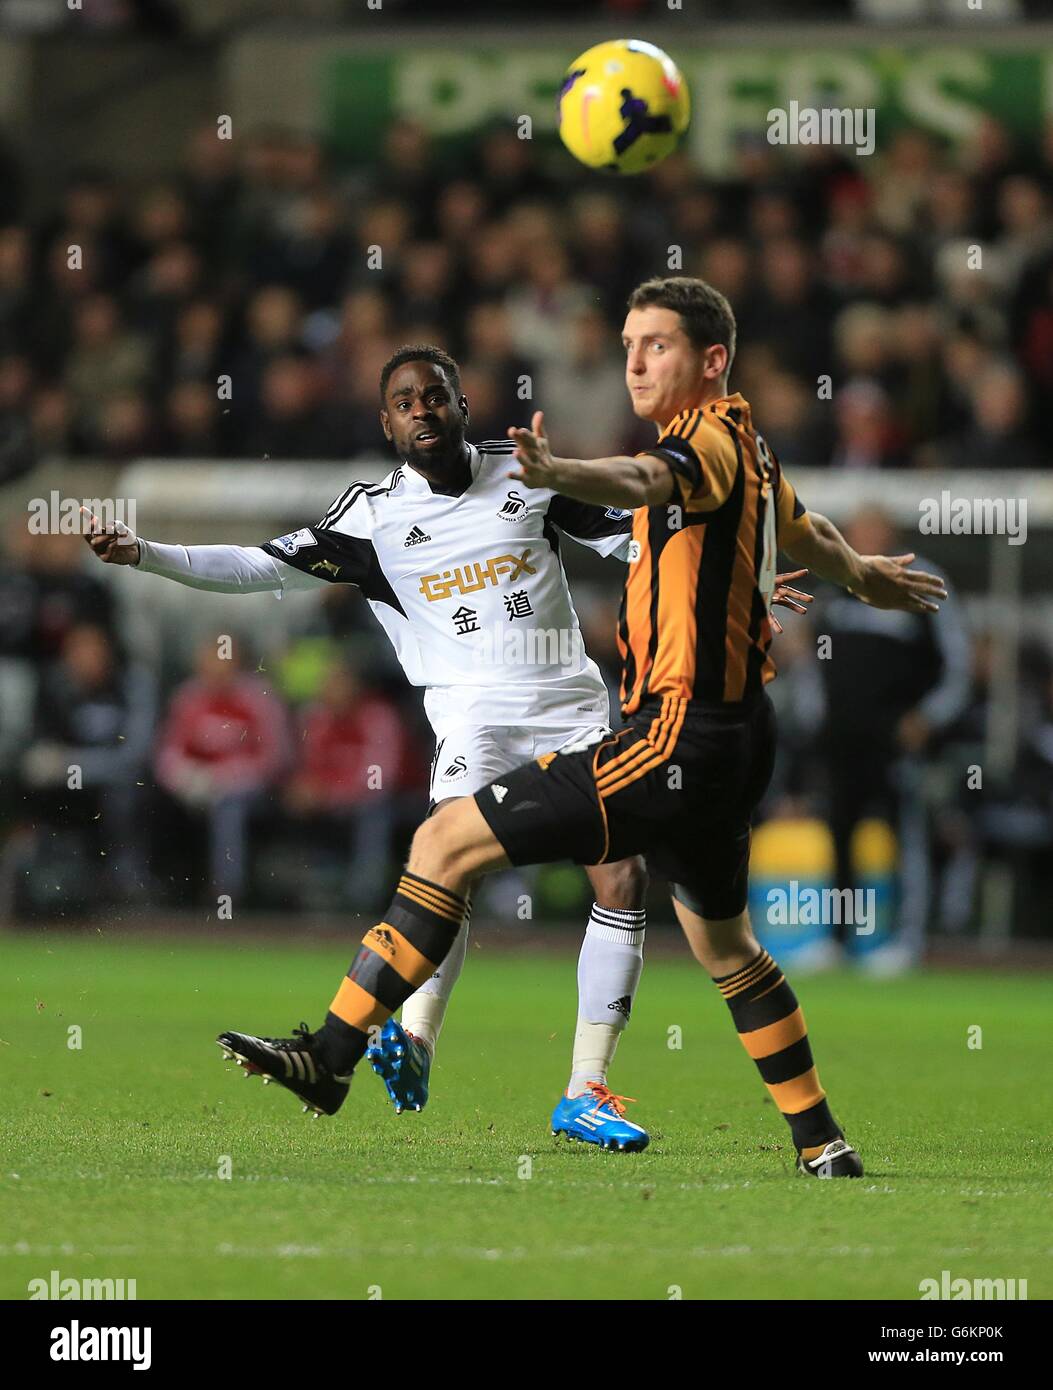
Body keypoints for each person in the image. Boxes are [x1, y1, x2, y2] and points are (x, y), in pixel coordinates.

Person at [209, 277, 946, 1178]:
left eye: (658, 345)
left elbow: (646, 480)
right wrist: (867, 577)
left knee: (444, 841)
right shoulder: (752, 446)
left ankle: (328, 1060)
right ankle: (820, 1140)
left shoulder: (703, 441)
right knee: (723, 944)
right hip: (736, 741)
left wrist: (559, 473)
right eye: (630, 342)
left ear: (711, 361)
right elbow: (812, 536)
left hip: (668, 737)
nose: (635, 360)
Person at [83, 343, 810, 1150]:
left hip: (571, 705)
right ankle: (418, 1036)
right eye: (404, 402)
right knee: (445, 866)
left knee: (623, 874)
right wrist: (146, 554)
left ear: (462, 405)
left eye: (436, 396)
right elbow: (255, 566)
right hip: (474, 718)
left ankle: (585, 1089)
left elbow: (634, 538)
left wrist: (733, 582)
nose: (422, 410)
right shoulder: (368, 518)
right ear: (387, 424)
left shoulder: (528, 474)